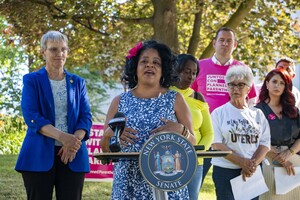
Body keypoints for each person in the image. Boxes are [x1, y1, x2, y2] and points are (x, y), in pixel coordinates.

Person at [100, 40, 196, 199]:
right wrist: (111, 134)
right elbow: (105, 150)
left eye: (156, 62)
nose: (149, 65)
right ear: (135, 67)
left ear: (163, 69)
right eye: (144, 61)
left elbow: (192, 142)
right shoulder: (119, 101)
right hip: (127, 184)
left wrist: (181, 130)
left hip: (166, 183)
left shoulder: (176, 99)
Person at [15, 31, 92, 200]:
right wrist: (63, 137)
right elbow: (31, 116)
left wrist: (73, 144)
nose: (60, 54)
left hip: (73, 155)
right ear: (44, 52)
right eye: (54, 49)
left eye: (63, 49)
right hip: (37, 156)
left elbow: (85, 117)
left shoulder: (78, 82)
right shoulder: (31, 80)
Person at [191, 27, 257, 184]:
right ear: (214, 43)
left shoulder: (243, 69)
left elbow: (251, 100)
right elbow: (190, 97)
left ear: (235, 45)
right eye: (221, 40)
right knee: (195, 180)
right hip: (204, 133)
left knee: (229, 185)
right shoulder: (199, 66)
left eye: (229, 41)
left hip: (231, 134)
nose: (225, 44)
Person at [210, 65, 270, 200]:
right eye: (231, 85)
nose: (235, 89)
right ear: (227, 87)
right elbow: (217, 145)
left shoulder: (258, 114)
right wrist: (242, 162)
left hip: (252, 172)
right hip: (225, 171)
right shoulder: (218, 113)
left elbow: (265, 144)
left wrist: (251, 165)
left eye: (241, 85)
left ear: (249, 88)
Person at [170, 54, 214, 200]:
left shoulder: (198, 97)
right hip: (168, 159)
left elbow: (208, 132)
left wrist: (195, 153)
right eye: (187, 71)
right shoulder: (164, 94)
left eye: (194, 73)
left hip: (195, 161)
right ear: (176, 70)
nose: (191, 76)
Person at [255, 68, 300, 200]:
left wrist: (289, 153)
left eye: (282, 83)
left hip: (294, 163)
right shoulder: (257, 111)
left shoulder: (293, 111)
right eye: (274, 81)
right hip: (267, 160)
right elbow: (254, 140)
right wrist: (277, 157)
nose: (277, 86)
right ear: (267, 84)